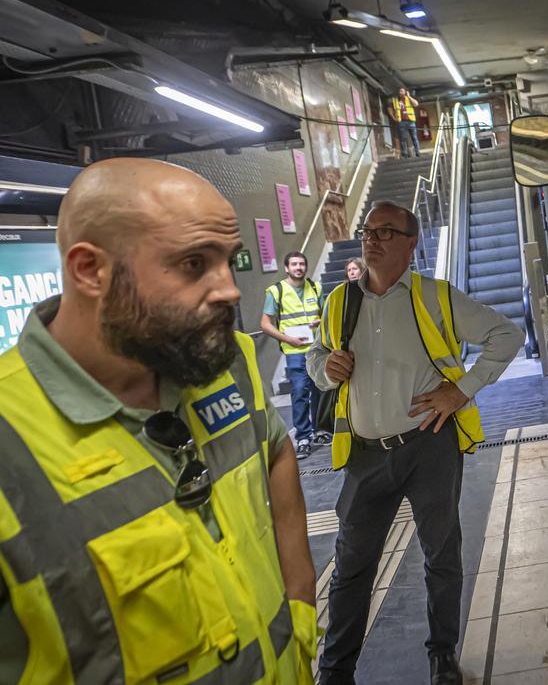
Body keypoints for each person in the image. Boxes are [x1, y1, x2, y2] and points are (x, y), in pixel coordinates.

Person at [0, 158, 317, 683]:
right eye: (194, 264)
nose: (230, 289)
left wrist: (301, 602)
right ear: (89, 270)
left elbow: (277, 448)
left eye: (229, 261)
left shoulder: (226, 363)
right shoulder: (12, 437)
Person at [308, 200, 522, 685]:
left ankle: (441, 657)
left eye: (386, 232)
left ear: (411, 244)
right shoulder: (340, 302)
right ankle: (336, 672)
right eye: (368, 231)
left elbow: (506, 335)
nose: (372, 239)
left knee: (441, 554)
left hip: (428, 446)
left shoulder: (436, 297)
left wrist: (460, 389)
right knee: (351, 565)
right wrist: (325, 367)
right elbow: (317, 357)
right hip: (364, 453)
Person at [261, 251, 327, 458]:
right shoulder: (276, 291)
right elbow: (264, 324)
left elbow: (326, 314)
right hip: (294, 352)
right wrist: (286, 339)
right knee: (299, 391)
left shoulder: (315, 288)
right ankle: (303, 437)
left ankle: (319, 430)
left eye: (302, 264)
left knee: (319, 390)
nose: (299, 267)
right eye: (294, 264)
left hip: (317, 350)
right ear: (286, 268)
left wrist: (320, 321)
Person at [390, 87, 421, 158]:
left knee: (414, 137)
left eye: (401, 91)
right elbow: (389, 107)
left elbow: (416, 104)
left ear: (405, 92)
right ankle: (405, 154)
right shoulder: (395, 100)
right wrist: (393, 117)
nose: (400, 92)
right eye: (399, 91)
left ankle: (417, 152)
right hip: (401, 122)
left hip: (411, 121)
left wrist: (409, 96)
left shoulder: (409, 99)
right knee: (403, 139)